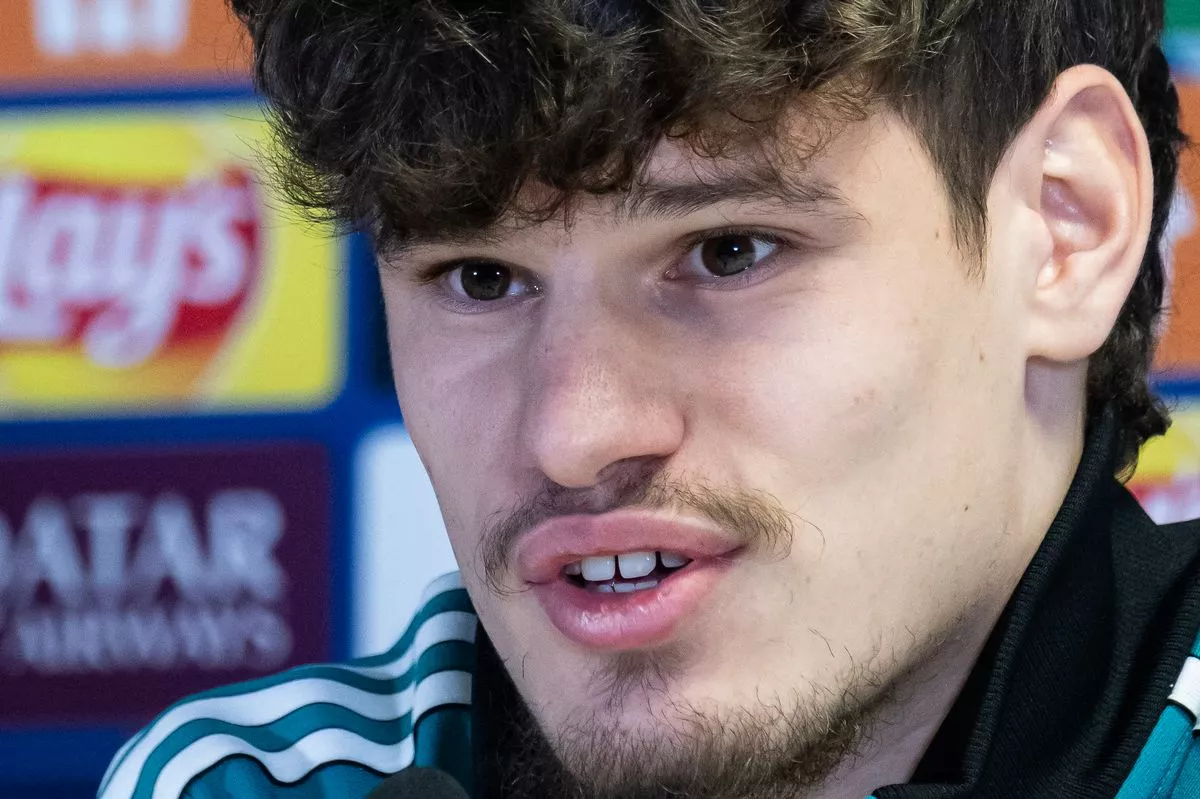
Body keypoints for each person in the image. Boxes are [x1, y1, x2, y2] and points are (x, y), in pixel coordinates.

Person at [98, 1, 1200, 797]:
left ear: (1066, 227)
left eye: (728, 252)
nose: (573, 433)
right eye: (479, 278)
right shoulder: (264, 783)